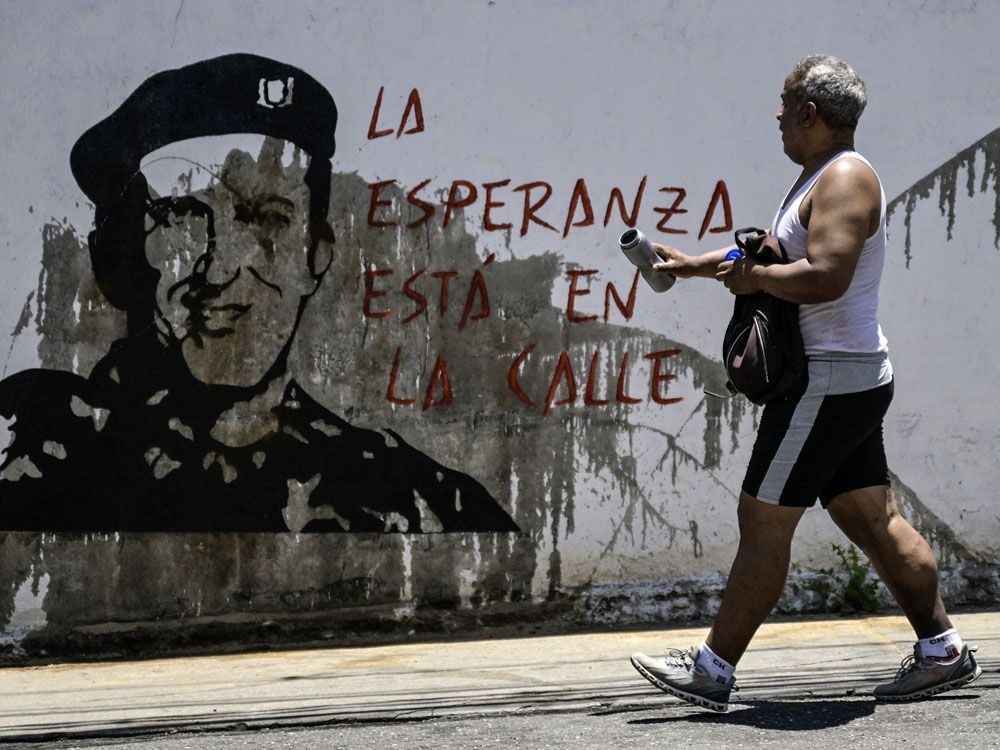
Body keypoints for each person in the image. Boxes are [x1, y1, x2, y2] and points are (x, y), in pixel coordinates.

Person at [0, 54, 518, 534]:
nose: (222, 270)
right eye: (182, 215)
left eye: (268, 219)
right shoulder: (32, 449)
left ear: (316, 256)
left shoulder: (412, 499)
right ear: (120, 256)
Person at [629, 54, 980, 711]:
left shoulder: (845, 179)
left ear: (810, 113)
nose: (777, 115)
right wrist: (696, 265)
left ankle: (712, 672)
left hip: (826, 381)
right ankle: (943, 653)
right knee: (868, 515)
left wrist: (755, 280)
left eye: (784, 104)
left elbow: (825, 276)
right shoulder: (821, 176)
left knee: (762, 517)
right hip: (849, 376)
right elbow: (776, 254)